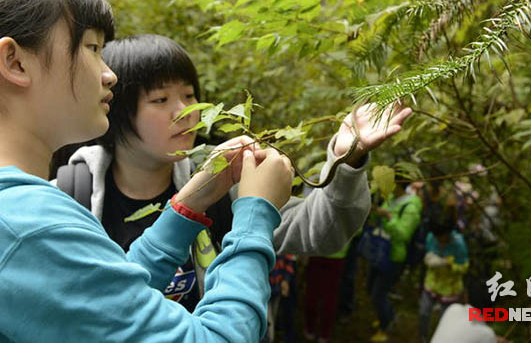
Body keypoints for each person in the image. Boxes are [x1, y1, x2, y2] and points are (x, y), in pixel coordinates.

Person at [0, 0, 295, 342]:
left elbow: (106, 302)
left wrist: (187, 207)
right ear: (15, 62)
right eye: (91, 48)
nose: (109, 75)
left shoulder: (18, 216)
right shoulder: (31, 226)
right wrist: (255, 216)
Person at [57, 33, 414, 310]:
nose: (186, 112)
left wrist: (345, 157)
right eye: (161, 100)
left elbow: (322, 232)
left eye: (190, 95)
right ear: (115, 110)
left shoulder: (221, 181)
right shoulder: (70, 198)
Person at [368, 182, 423, 342]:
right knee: (372, 289)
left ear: (398, 184)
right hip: (379, 251)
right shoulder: (391, 197)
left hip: (393, 256)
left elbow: (403, 235)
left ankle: (385, 327)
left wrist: (388, 218)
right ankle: (387, 316)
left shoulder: (411, 207)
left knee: (379, 294)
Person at [418, 198, 469, 343]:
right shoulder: (431, 237)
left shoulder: (458, 244)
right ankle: (423, 338)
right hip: (432, 282)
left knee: (444, 320)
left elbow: (464, 266)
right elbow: (429, 253)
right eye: (437, 237)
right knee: (423, 313)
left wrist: (449, 264)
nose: (440, 240)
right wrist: (430, 260)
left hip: (450, 288)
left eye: (443, 236)